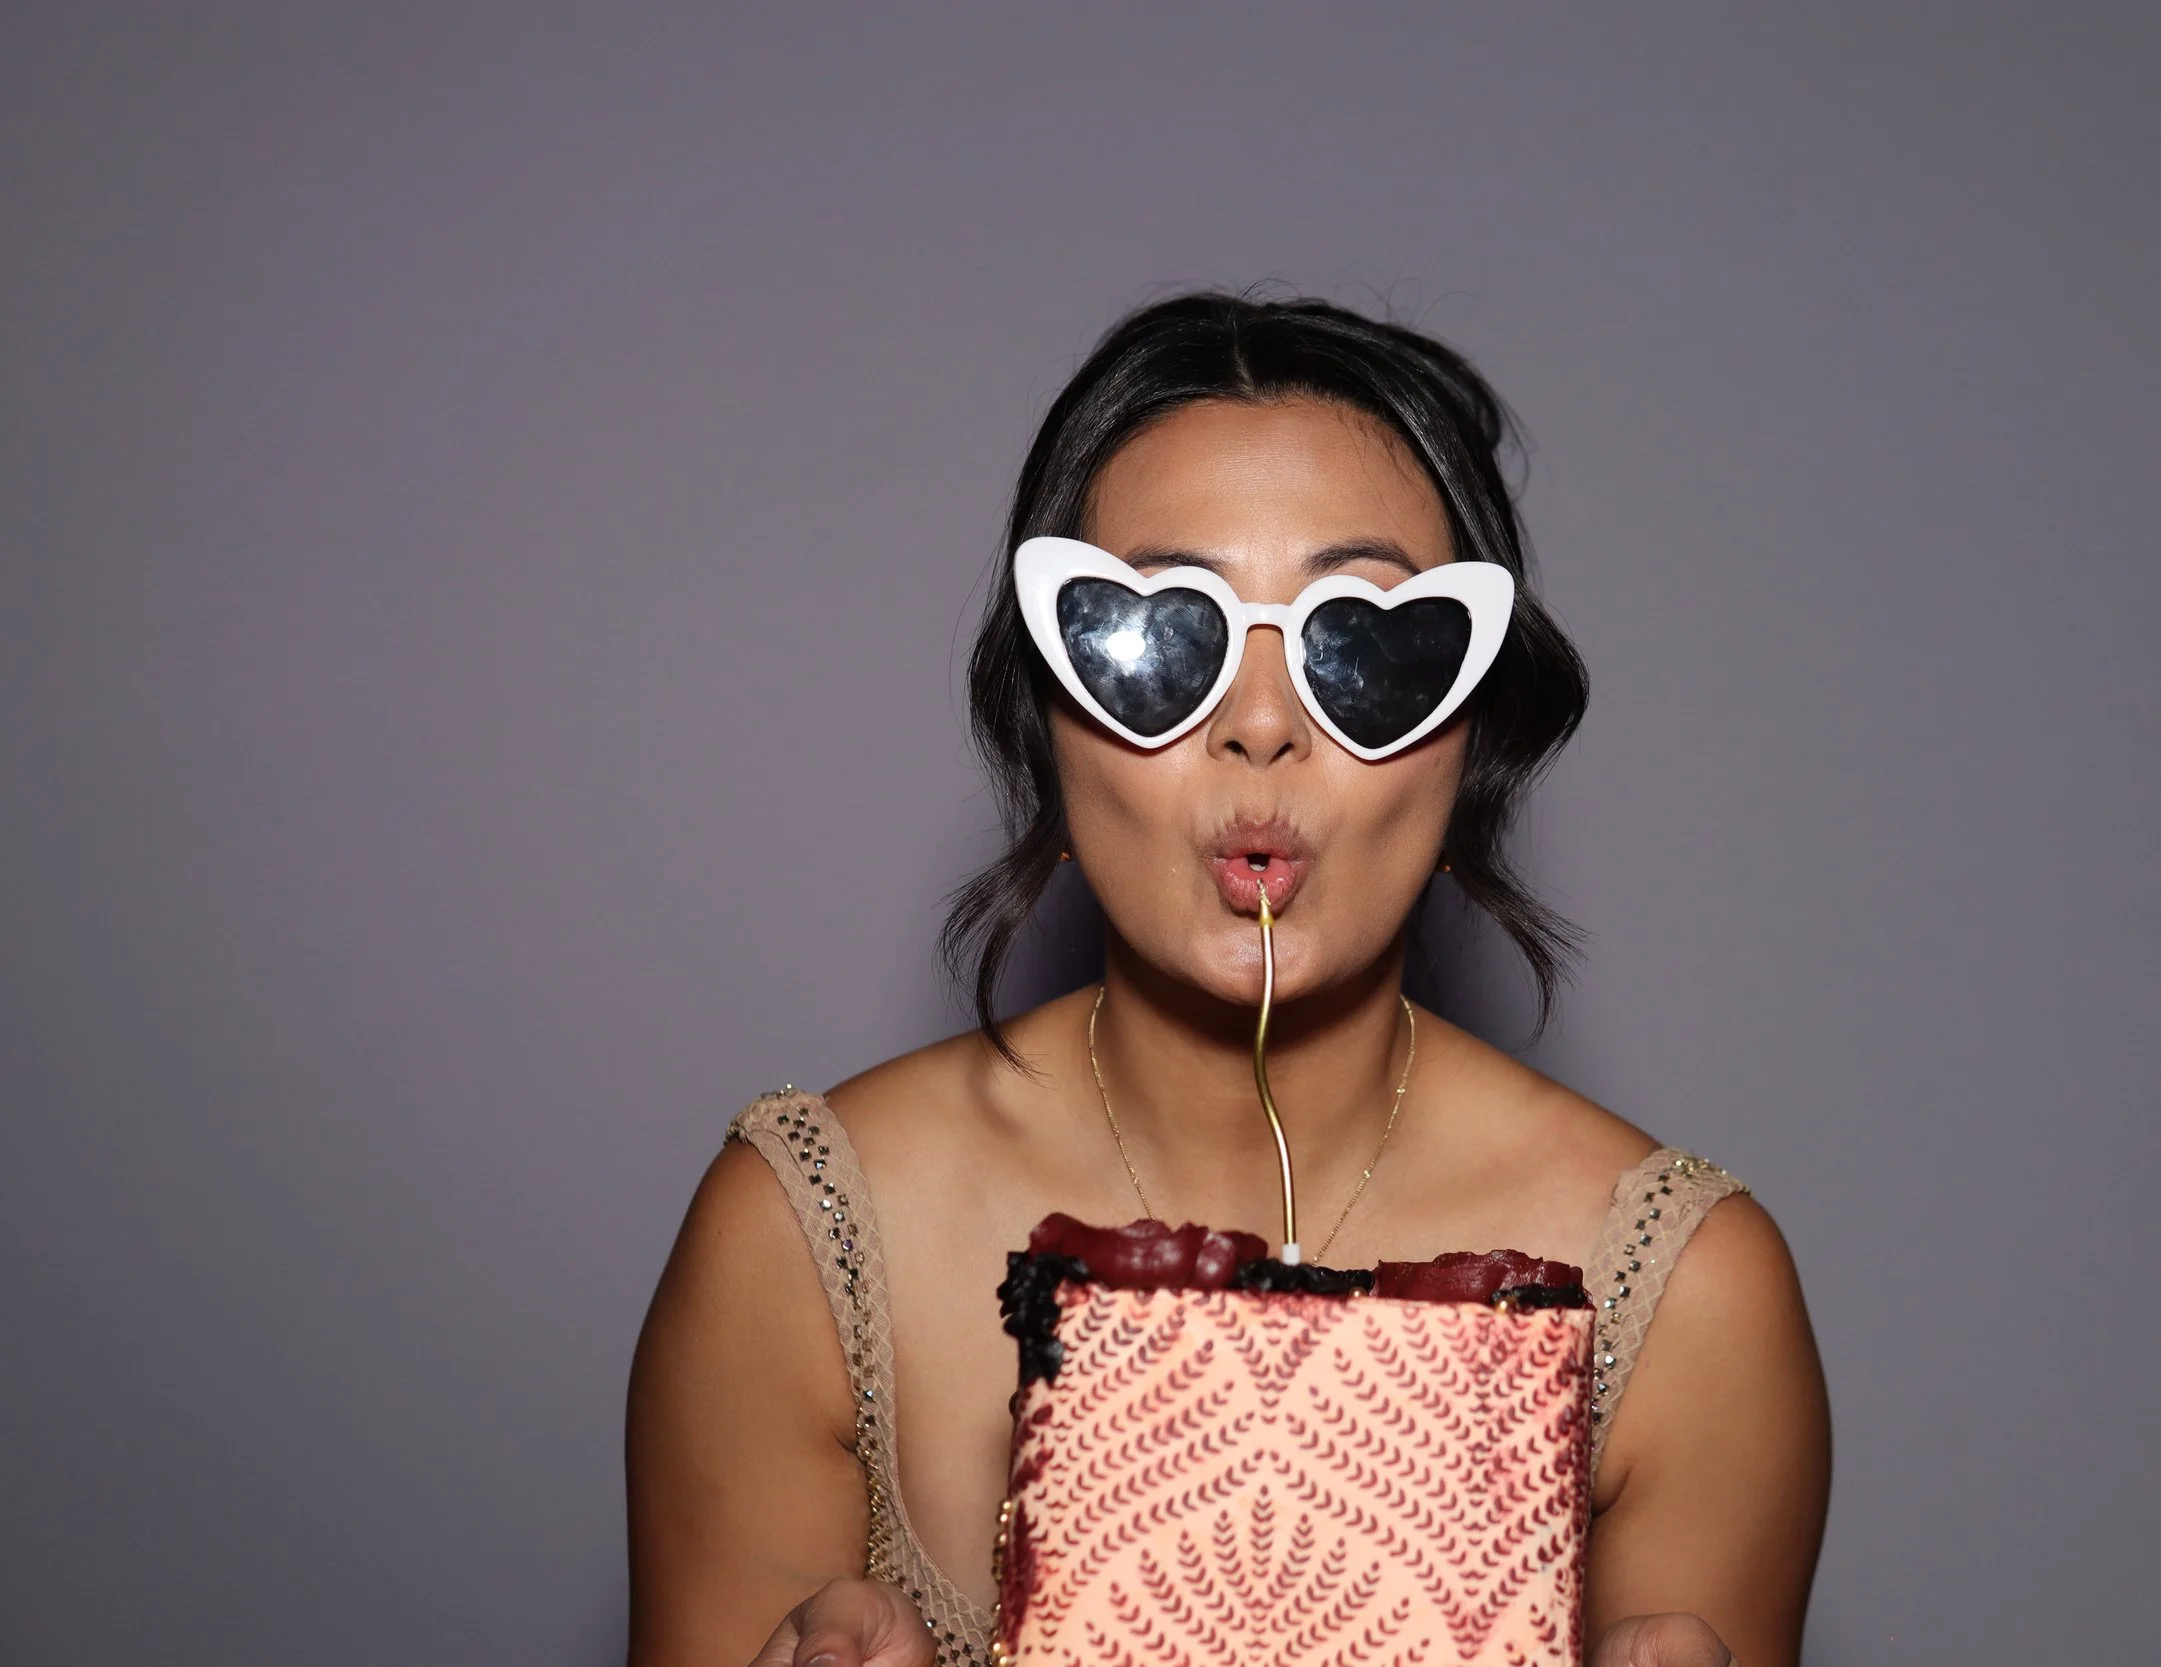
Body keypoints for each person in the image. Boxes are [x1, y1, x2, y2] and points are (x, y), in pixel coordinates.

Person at [626, 294, 1830, 1667]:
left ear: (1472, 731)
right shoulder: (802, 1240)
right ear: (1050, 713)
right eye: (1162, 640)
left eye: (1366, 650)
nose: (1260, 725)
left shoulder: (1685, 1303)